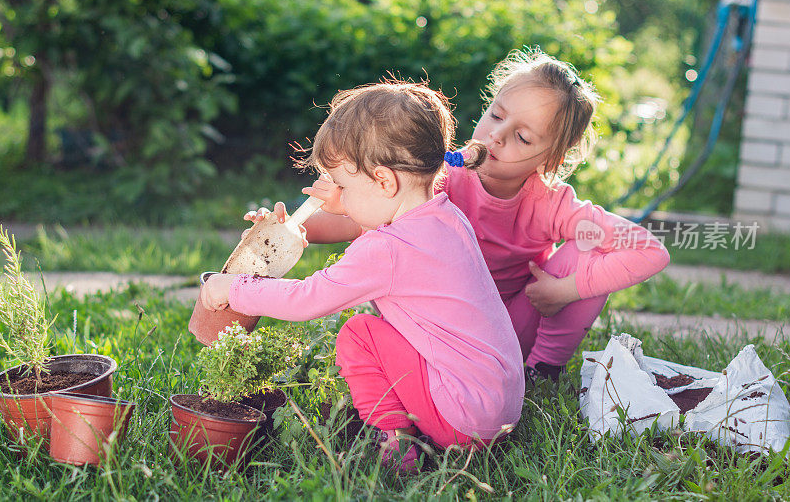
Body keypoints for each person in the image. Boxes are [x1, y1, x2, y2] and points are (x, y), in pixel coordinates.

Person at [286, 49, 670, 382]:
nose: (497, 136)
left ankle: (541, 371)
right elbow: (357, 220)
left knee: (588, 248)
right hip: (434, 335)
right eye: (496, 114)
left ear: (552, 158)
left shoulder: (552, 203)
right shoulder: (439, 180)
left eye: (523, 137)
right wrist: (290, 229)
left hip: (507, 335)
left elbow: (649, 250)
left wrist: (562, 291)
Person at [201, 81, 524, 474]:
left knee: (361, 334)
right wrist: (339, 207)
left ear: (384, 181)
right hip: (498, 405)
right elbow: (380, 228)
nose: (338, 196)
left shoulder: (387, 249)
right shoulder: (445, 218)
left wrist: (233, 288)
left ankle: (396, 446)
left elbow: (308, 299)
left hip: (463, 420)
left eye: (344, 186)